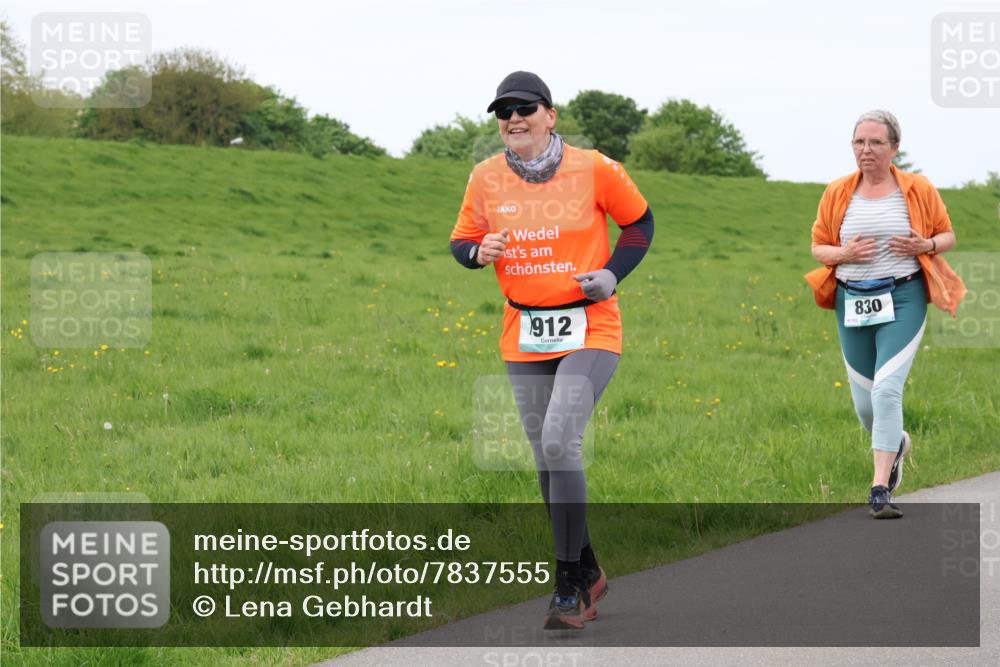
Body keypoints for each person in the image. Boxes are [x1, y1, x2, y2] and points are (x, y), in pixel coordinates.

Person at [450, 71, 654, 629]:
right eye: (504, 112)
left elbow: (639, 223)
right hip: (525, 332)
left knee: (561, 441)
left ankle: (568, 587)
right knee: (546, 460)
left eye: (525, 109)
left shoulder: (593, 167)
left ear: (550, 114)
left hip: (590, 328)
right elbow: (461, 241)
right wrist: (477, 252)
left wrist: (613, 274)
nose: (513, 119)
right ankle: (587, 566)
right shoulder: (486, 177)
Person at [806, 110, 965, 519]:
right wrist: (844, 254)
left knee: (886, 390)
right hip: (852, 302)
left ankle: (879, 488)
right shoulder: (838, 192)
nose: (866, 150)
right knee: (865, 406)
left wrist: (925, 245)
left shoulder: (916, 188)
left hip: (904, 298)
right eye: (859, 142)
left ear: (895, 147)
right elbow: (818, 247)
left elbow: (948, 235)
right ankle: (897, 445)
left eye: (876, 142)